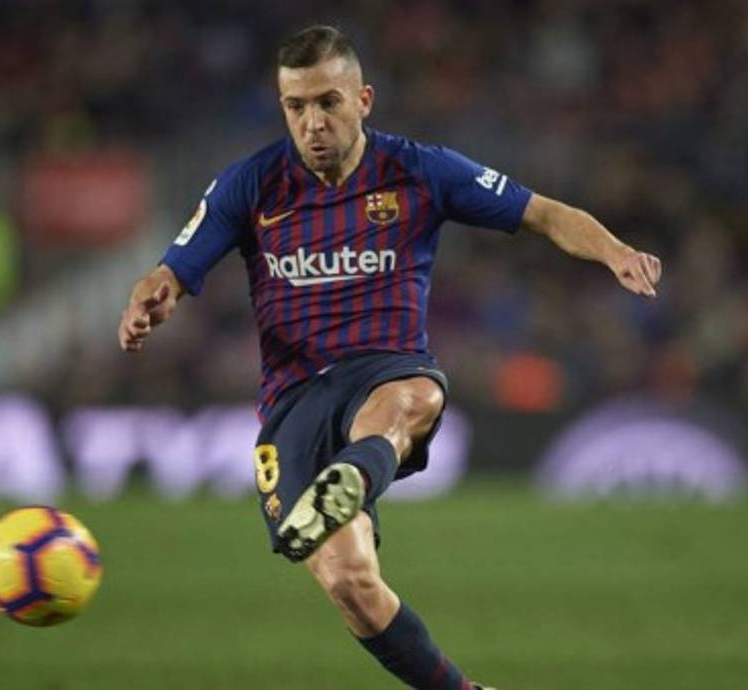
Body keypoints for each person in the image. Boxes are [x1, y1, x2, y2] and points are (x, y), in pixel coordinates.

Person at [118, 25, 661, 690]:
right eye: (296, 107)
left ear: (364, 99)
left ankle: (350, 477)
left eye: (328, 102)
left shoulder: (420, 171)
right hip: (294, 403)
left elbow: (543, 213)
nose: (313, 122)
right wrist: (150, 298)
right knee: (352, 583)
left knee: (414, 401)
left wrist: (616, 252)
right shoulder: (250, 186)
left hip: (385, 367)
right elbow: (173, 269)